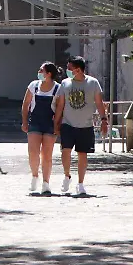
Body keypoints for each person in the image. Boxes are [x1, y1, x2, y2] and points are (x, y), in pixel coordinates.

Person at [54, 56, 108, 196]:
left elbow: (99, 103)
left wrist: (104, 120)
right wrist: (56, 123)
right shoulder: (65, 84)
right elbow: (60, 105)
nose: (68, 71)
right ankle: (67, 176)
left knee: (82, 154)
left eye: (70, 68)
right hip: (68, 124)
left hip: (85, 125)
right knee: (65, 151)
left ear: (78, 70)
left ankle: (81, 183)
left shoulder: (93, 83)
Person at [21, 61, 61, 194]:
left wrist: (57, 125)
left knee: (47, 154)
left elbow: (60, 108)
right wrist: (25, 121)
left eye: (41, 70)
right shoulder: (34, 86)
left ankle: (46, 182)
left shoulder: (58, 88)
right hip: (35, 122)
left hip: (50, 123)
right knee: (33, 152)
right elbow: (26, 104)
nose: (39, 72)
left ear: (48, 74)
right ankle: (34, 176)